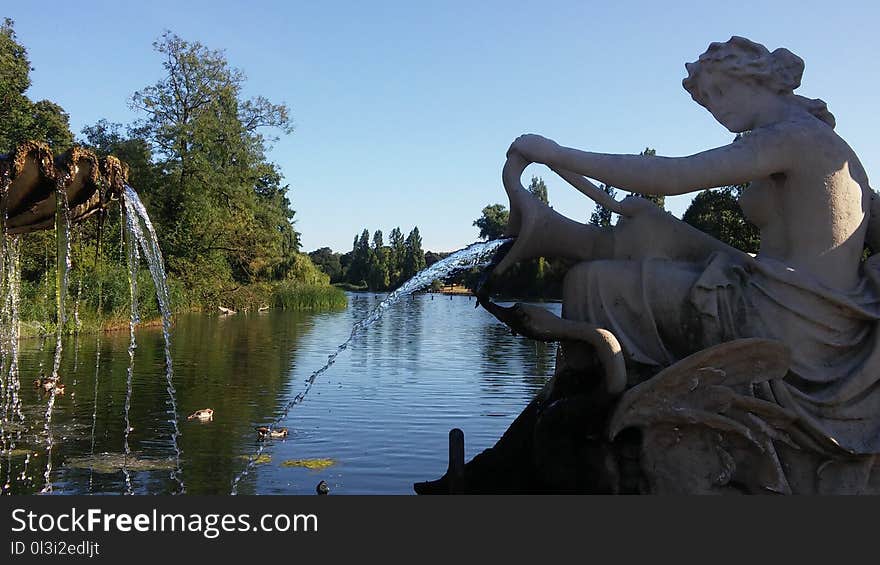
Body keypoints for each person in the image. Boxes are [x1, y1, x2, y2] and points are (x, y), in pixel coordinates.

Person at [492, 37, 880, 487]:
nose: (714, 108)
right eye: (706, 101)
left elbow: (672, 175)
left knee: (591, 284)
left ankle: (590, 443)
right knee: (648, 236)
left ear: (757, 79)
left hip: (781, 323)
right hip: (815, 321)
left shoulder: (792, 138)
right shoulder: (837, 149)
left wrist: (556, 153)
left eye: (719, 92)